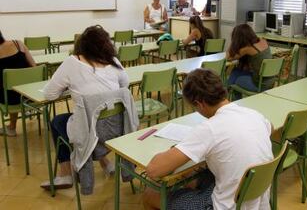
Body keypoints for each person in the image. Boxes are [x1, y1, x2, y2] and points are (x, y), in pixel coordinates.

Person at [143, 68, 273, 210]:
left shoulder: (209, 129)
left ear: (200, 104)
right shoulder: (254, 114)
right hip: (256, 197)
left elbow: (153, 170)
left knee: (151, 194)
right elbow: (270, 128)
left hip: (227, 206)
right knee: (193, 176)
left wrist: (179, 148)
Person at [40, 25, 129, 190]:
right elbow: (124, 87)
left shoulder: (72, 63)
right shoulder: (114, 61)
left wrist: (69, 87)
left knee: (58, 121)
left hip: (90, 133)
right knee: (94, 117)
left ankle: (65, 174)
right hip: (117, 128)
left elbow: (49, 95)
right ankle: (106, 163)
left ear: (81, 45)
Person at [0, 31, 36, 137]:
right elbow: (34, 67)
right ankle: (27, 110)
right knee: (14, 86)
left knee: (8, 88)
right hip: (29, 95)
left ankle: (11, 127)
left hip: (8, 100)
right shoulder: (18, 44)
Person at [227, 24, 275, 99]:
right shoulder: (263, 41)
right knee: (236, 71)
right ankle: (229, 95)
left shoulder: (248, 49)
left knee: (234, 80)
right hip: (270, 81)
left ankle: (230, 97)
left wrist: (233, 42)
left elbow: (228, 57)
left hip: (260, 85)